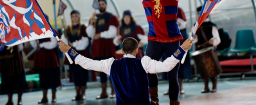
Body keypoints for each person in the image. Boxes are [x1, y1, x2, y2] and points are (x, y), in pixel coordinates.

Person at [105, 0, 183, 105]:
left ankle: (174, 102)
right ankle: (153, 99)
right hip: (154, 39)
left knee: (172, 75)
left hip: (172, 39)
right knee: (148, 69)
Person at [58, 37, 193, 105]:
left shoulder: (110, 64)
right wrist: (182, 49)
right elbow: (166, 66)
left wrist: (69, 50)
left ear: (122, 51)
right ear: (136, 50)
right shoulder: (144, 62)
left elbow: (87, 63)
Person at [86, 0, 120, 99]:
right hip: (98, 48)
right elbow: (90, 34)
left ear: (106, 5)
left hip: (108, 47)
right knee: (101, 71)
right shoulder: (94, 17)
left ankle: (114, 91)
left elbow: (113, 33)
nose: (101, 6)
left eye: (102, 4)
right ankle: (103, 91)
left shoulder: (111, 17)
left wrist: (100, 34)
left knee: (111, 69)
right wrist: (92, 23)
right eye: (99, 4)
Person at [30, 16, 61, 104]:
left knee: (52, 76)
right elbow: (34, 45)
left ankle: (53, 96)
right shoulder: (37, 32)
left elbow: (54, 43)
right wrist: (33, 37)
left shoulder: (52, 31)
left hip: (50, 57)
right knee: (43, 77)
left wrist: (42, 45)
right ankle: (44, 96)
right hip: (41, 57)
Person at [61, 10, 89, 101]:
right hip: (72, 54)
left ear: (79, 17)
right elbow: (63, 41)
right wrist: (64, 34)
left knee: (82, 73)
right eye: (72, 17)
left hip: (81, 53)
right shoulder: (68, 28)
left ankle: (83, 93)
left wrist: (74, 44)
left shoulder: (83, 27)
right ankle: (77, 93)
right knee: (75, 74)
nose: (74, 18)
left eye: (76, 16)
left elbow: (85, 42)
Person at [164, 7, 191, 95]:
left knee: (179, 66)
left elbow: (182, 24)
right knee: (168, 65)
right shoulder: (163, 9)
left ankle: (180, 87)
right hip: (168, 42)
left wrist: (174, 22)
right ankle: (170, 87)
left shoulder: (178, 9)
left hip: (179, 43)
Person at [193, 6, 221, 93]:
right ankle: (206, 87)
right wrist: (193, 38)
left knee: (212, 68)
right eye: (198, 13)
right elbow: (193, 39)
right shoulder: (195, 25)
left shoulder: (212, 25)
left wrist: (212, 41)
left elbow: (217, 39)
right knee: (203, 69)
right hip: (200, 50)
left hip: (209, 50)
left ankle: (214, 86)